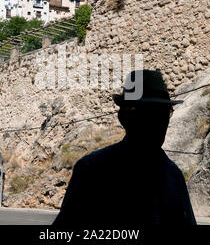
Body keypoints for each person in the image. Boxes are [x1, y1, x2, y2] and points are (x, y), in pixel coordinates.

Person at [53, 70, 197, 226]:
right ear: (124, 117)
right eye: (148, 113)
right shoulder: (92, 171)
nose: (158, 122)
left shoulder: (173, 175)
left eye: (163, 113)